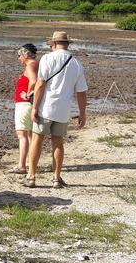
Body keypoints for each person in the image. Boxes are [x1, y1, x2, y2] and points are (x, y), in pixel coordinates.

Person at [24, 31, 88, 189]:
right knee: (58, 142)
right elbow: (81, 92)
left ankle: (31, 177)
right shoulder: (76, 63)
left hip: (46, 108)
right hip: (63, 109)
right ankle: (56, 178)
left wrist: (35, 108)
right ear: (67, 44)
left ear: (53, 44)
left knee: (37, 140)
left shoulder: (47, 58)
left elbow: (40, 84)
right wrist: (82, 113)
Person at [10, 43, 39, 175]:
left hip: (25, 104)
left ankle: (22, 165)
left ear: (26, 54)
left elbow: (33, 81)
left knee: (22, 135)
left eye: (19, 55)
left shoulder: (31, 65)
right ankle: (31, 164)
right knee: (30, 135)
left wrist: (28, 94)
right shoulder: (37, 64)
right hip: (31, 105)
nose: (18, 58)